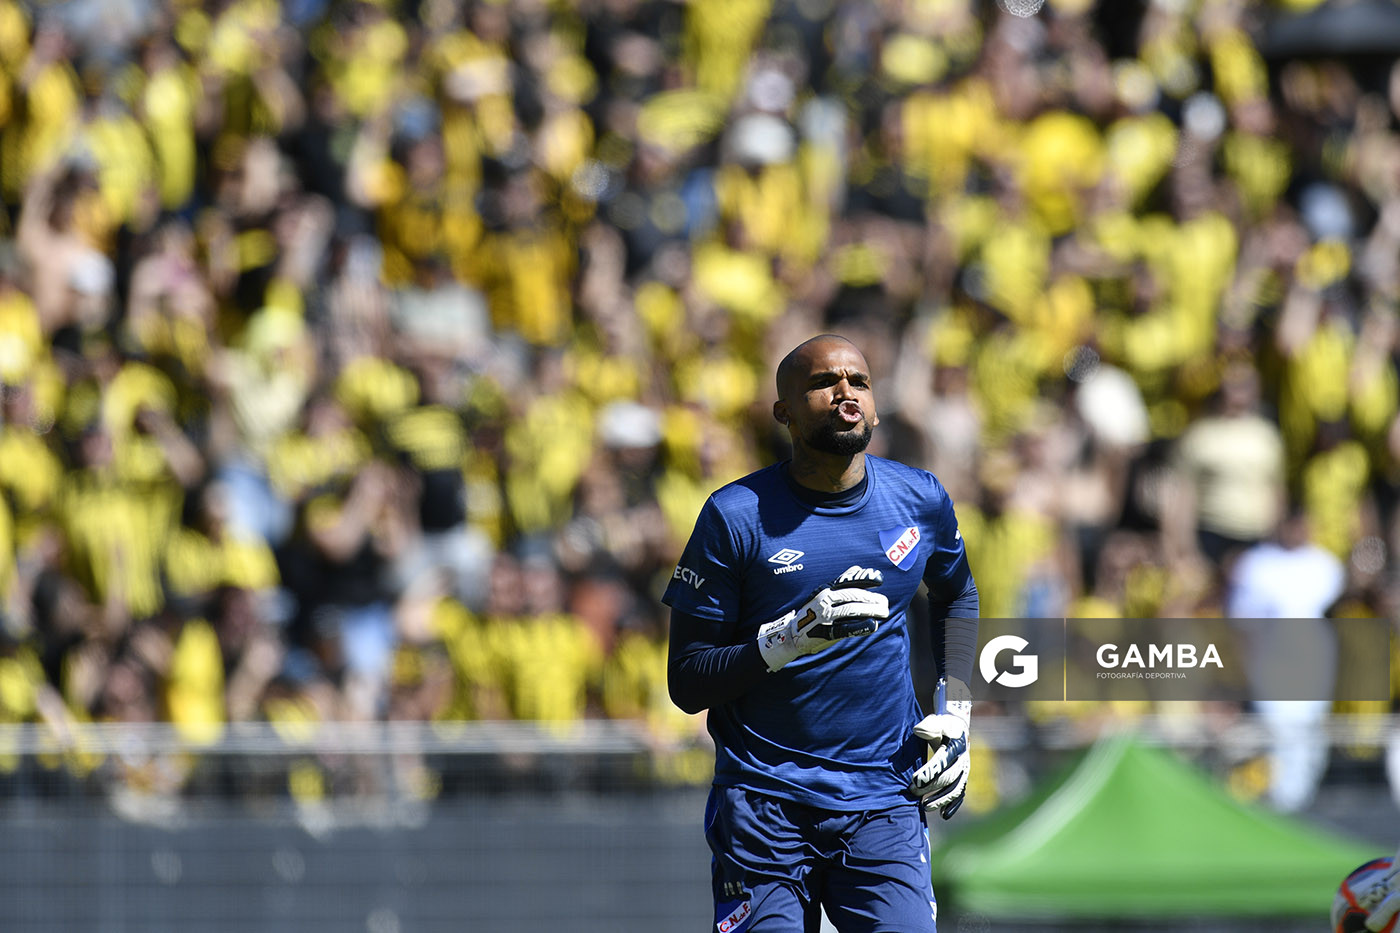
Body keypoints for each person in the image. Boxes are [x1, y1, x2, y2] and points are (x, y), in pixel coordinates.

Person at [665, 334, 979, 932]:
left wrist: (957, 711)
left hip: (885, 796)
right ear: (782, 410)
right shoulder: (734, 516)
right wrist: (786, 639)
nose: (844, 393)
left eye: (858, 381)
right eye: (821, 382)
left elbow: (957, 593)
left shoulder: (920, 499)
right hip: (764, 804)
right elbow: (686, 681)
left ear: (876, 406)